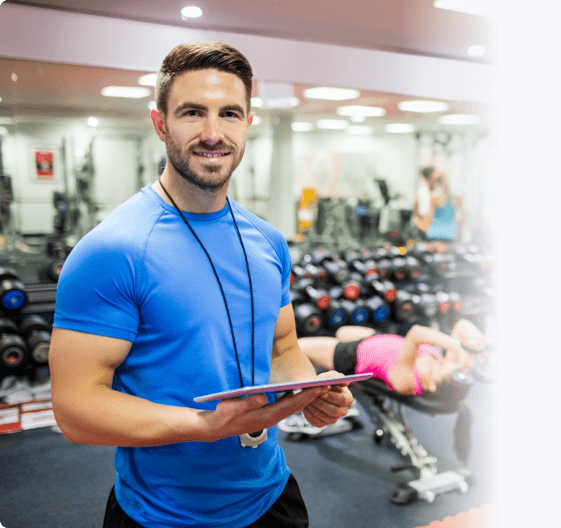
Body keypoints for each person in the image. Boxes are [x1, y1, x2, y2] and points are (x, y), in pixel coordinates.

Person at [48, 41, 353, 528]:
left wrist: (313, 390)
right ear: (160, 123)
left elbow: (281, 349)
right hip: (161, 515)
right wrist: (204, 427)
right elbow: (75, 407)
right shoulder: (112, 251)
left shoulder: (269, 242)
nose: (213, 133)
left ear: (248, 124)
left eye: (230, 114)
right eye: (193, 112)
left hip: (272, 497)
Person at [297, 319, 489, 396]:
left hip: (354, 354)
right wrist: (482, 350)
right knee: (341, 330)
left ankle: (302, 397)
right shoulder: (443, 364)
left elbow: (416, 334)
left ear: (433, 385)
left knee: (298, 347)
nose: (454, 363)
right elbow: (462, 325)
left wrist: (458, 347)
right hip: (378, 338)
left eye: (451, 369)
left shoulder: (409, 382)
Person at [413, 167, 464, 241]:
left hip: (442, 235)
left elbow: (462, 218)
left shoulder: (436, 197)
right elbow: (424, 218)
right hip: (438, 235)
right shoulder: (430, 197)